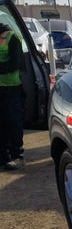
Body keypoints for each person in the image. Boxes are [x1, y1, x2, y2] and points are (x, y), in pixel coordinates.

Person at [0, 22, 25, 170]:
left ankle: (17, 155)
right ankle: (3, 156)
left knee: (13, 122)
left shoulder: (11, 37)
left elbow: (16, 63)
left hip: (11, 88)